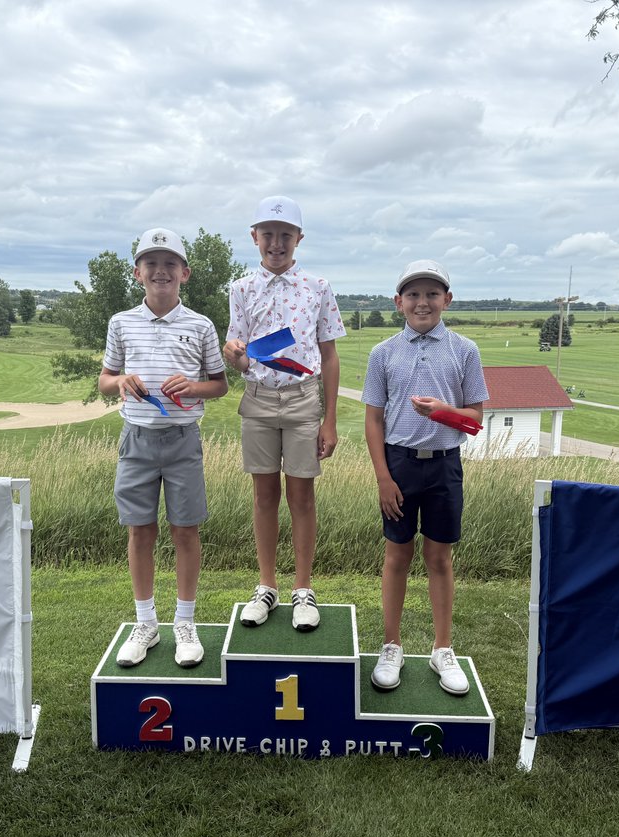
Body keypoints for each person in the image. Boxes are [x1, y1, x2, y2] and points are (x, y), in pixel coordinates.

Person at [99, 227, 228, 668]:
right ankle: (146, 623)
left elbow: (220, 385)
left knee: (185, 530)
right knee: (140, 530)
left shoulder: (201, 325)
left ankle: (185, 622)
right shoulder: (121, 322)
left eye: (170, 264)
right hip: (136, 440)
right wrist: (119, 381)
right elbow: (104, 379)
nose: (160, 271)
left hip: (182, 442)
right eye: (151, 264)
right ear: (138, 273)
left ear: (184, 273)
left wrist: (194, 386)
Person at [362, 260, 488, 695]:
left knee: (439, 559)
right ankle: (391, 645)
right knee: (397, 556)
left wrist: (443, 412)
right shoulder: (383, 353)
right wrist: (382, 477)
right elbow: (373, 420)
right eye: (413, 294)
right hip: (398, 465)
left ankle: (442, 649)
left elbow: (475, 420)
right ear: (399, 303)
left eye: (432, 294)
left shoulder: (464, 350)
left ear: (447, 300)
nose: (423, 302)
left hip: (445, 466)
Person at [222, 196, 345, 631]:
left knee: (302, 495)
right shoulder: (240, 288)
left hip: (302, 399)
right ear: (255, 237)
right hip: (257, 399)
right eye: (268, 234)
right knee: (263, 495)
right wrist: (233, 353)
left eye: (285, 235)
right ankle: (267, 586)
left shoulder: (318, 286)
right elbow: (237, 350)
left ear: (298, 239)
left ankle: (303, 589)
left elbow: (329, 356)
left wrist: (328, 419)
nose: (276, 243)